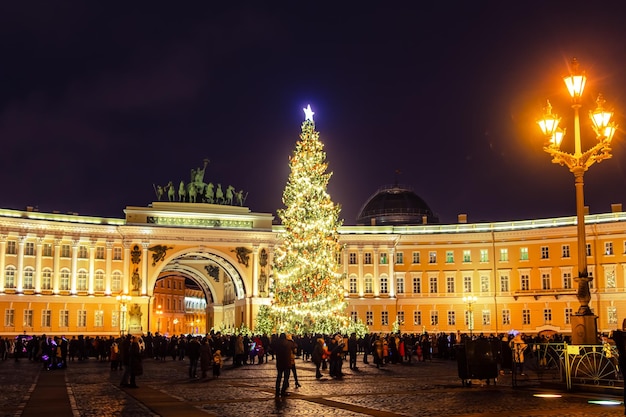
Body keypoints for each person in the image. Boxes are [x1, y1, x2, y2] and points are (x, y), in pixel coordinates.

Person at [270, 333, 293, 397]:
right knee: (286, 378)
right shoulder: (289, 343)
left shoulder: (277, 343)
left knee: (279, 377)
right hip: (287, 363)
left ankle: (277, 391)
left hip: (279, 362)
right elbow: (295, 345)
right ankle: (283, 391)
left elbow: (271, 346)